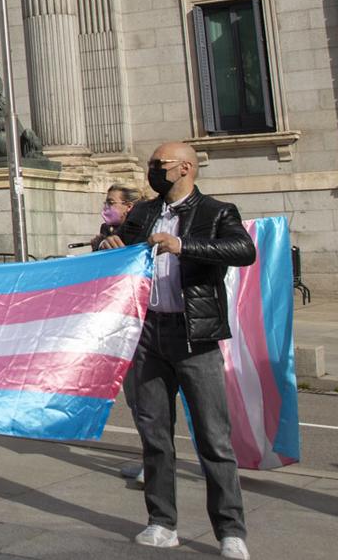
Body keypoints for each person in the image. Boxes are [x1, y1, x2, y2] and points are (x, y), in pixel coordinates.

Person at [99, 142, 254, 558]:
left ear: (184, 168)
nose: (152, 170)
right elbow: (117, 243)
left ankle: (230, 529)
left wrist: (184, 246)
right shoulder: (145, 212)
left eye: (158, 164)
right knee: (154, 436)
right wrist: (107, 246)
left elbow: (243, 251)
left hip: (195, 334)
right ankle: (161, 521)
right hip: (148, 332)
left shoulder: (216, 211)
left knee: (213, 438)